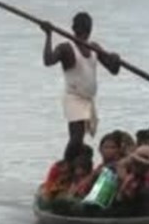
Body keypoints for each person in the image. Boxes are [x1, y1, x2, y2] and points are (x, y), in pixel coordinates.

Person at [41, 12, 122, 159]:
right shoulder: (66, 48)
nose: (84, 31)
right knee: (76, 138)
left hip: (88, 99)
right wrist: (48, 35)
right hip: (74, 97)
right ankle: (65, 165)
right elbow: (48, 61)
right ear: (74, 28)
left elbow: (113, 70)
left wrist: (116, 59)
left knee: (79, 140)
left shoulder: (94, 48)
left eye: (85, 27)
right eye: (81, 27)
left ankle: (74, 164)